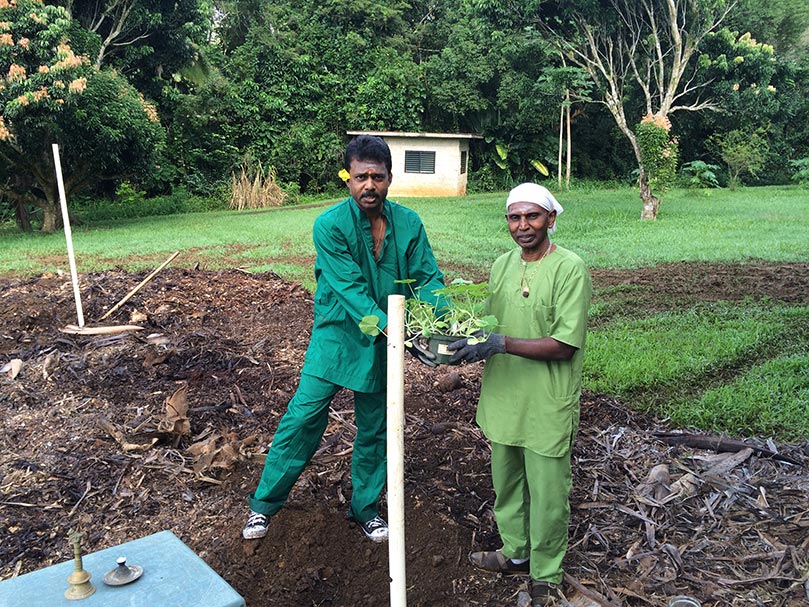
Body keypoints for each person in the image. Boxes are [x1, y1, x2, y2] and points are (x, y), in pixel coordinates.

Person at [242, 135, 444, 542]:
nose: (369, 185)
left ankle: (365, 508)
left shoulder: (410, 223)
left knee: (376, 427)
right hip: (337, 338)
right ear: (347, 179)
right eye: (360, 177)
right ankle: (263, 506)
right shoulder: (330, 226)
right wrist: (395, 329)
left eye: (378, 177)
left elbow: (428, 278)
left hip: (386, 341)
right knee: (303, 417)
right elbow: (350, 289)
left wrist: (445, 324)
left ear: (391, 178)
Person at [448, 183, 591, 606]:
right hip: (503, 396)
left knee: (548, 495)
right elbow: (487, 324)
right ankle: (515, 552)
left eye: (532, 216)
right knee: (507, 485)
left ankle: (546, 573)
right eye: (514, 217)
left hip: (547, 401)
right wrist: (453, 345)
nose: (522, 225)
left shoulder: (570, 268)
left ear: (551, 218)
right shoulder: (501, 265)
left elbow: (564, 345)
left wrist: (498, 343)